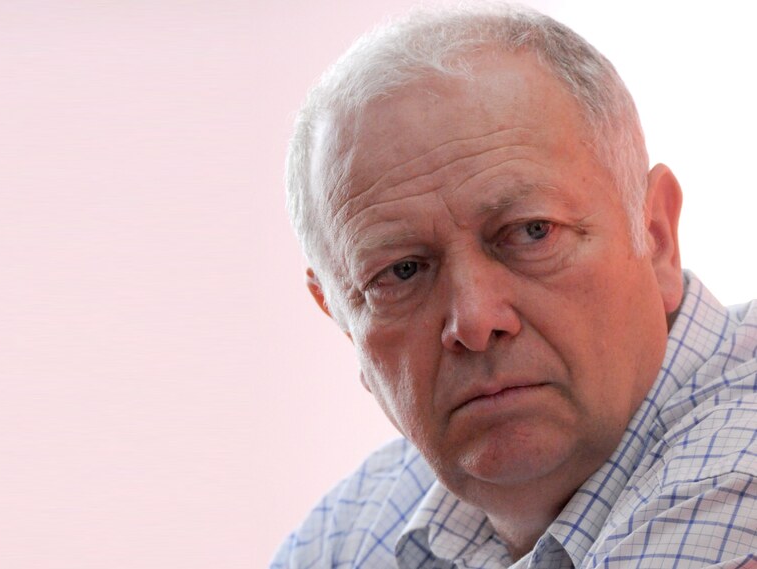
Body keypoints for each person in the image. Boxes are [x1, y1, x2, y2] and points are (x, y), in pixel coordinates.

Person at [271, 3, 757, 569]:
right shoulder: (349, 527)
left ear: (656, 237)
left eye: (532, 232)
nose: (475, 321)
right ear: (344, 323)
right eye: (402, 271)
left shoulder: (738, 465)